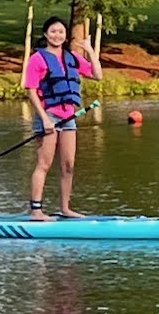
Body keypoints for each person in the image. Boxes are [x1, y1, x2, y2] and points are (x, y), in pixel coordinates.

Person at [23, 16, 102, 219]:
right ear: (46, 34)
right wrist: (45, 119)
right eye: (53, 31)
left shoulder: (72, 57)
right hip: (48, 115)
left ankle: (65, 208)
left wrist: (90, 51)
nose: (57, 35)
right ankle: (36, 210)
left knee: (69, 164)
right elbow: (31, 91)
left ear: (66, 36)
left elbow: (97, 74)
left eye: (61, 32)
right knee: (44, 163)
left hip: (69, 118)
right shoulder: (37, 59)